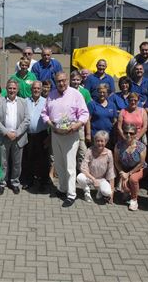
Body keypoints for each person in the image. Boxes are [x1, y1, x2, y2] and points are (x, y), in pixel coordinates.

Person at [41, 72, 89, 208]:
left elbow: (85, 113)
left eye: (63, 81)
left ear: (67, 80)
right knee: (59, 163)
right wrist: (50, 125)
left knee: (70, 166)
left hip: (71, 134)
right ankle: (62, 188)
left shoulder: (76, 94)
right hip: (56, 134)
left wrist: (77, 125)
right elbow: (44, 113)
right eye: (58, 81)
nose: (61, 84)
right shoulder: (51, 95)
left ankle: (71, 194)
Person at [0, 79, 30, 194]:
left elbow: (27, 120)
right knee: (3, 162)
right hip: (4, 137)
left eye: (14, 88)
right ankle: (2, 182)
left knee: (17, 162)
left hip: (18, 137)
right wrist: (6, 133)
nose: (12, 90)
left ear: (17, 90)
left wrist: (16, 133)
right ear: (6, 89)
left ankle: (15, 182)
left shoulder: (23, 102)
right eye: (10, 88)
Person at [22, 81, 50, 191]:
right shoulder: (25, 101)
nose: (36, 90)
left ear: (41, 89)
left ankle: (43, 182)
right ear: (31, 89)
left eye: (38, 88)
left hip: (42, 134)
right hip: (28, 135)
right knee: (29, 159)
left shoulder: (46, 102)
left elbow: (51, 118)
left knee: (43, 160)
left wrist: (50, 137)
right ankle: (29, 181)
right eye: (34, 88)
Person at [114, 123, 146, 211]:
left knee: (133, 179)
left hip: (139, 168)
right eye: (126, 132)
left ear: (135, 134)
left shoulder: (141, 147)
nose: (128, 135)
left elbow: (141, 163)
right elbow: (116, 161)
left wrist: (128, 174)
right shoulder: (118, 145)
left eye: (131, 133)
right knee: (122, 187)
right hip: (124, 169)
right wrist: (121, 173)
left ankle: (134, 200)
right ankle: (127, 192)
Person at [77, 130, 115, 203]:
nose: (99, 143)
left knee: (107, 192)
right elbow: (83, 168)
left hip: (102, 179)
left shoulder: (109, 153)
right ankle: (87, 191)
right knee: (80, 177)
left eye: (102, 141)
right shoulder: (89, 150)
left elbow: (111, 172)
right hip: (90, 177)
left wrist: (112, 193)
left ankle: (100, 190)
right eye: (97, 141)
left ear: (106, 142)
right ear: (94, 141)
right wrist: (94, 180)